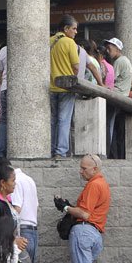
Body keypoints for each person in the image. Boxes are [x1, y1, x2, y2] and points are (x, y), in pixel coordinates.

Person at [54, 154, 110, 263]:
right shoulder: (102, 184)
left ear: (95, 169)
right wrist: (70, 207)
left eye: (84, 168)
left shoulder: (94, 185)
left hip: (83, 231)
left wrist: (65, 207)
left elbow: (84, 214)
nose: (81, 171)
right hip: (95, 235)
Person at [49, 15, 80, 159]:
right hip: (66, 88)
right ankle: (60, 152)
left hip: (51, 86)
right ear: (65, 29)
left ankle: (51, 149)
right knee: (64, 120)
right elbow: (76, 66)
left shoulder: (49, 41)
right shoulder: (69, 42)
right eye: (73, 28)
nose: (75, 32)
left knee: (53, 120)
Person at [103, 37, 132, 159]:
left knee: (109, 124)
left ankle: (107, 151)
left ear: (117, 49)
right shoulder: (124, 60)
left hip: (117, 94)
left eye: (110, 48)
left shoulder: (120, 61)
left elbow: (110, 80)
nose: (108, 51)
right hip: (122, 95)